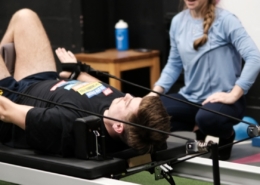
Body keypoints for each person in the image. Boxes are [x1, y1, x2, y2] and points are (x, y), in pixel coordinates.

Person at [0, 8, 170, 157]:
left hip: (14, 100)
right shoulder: (117, 111)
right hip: (45, 81)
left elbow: (7, 111)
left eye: (128, 103)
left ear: (119, 127)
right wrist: (77, 73)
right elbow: (101, 89)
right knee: (25, 16)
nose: (126, 95)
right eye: (133, 97)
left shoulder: (69, 125)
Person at [148, 0, 260, 160]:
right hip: (191, 98)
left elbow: (255, 58)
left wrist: (234, 95)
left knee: (207, 118)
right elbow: (174, 64)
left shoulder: (227, 20)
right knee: (151, 113)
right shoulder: (178, 21)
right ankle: (199, 130)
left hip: (225, 101)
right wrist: (153, 94)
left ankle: (225, 134)